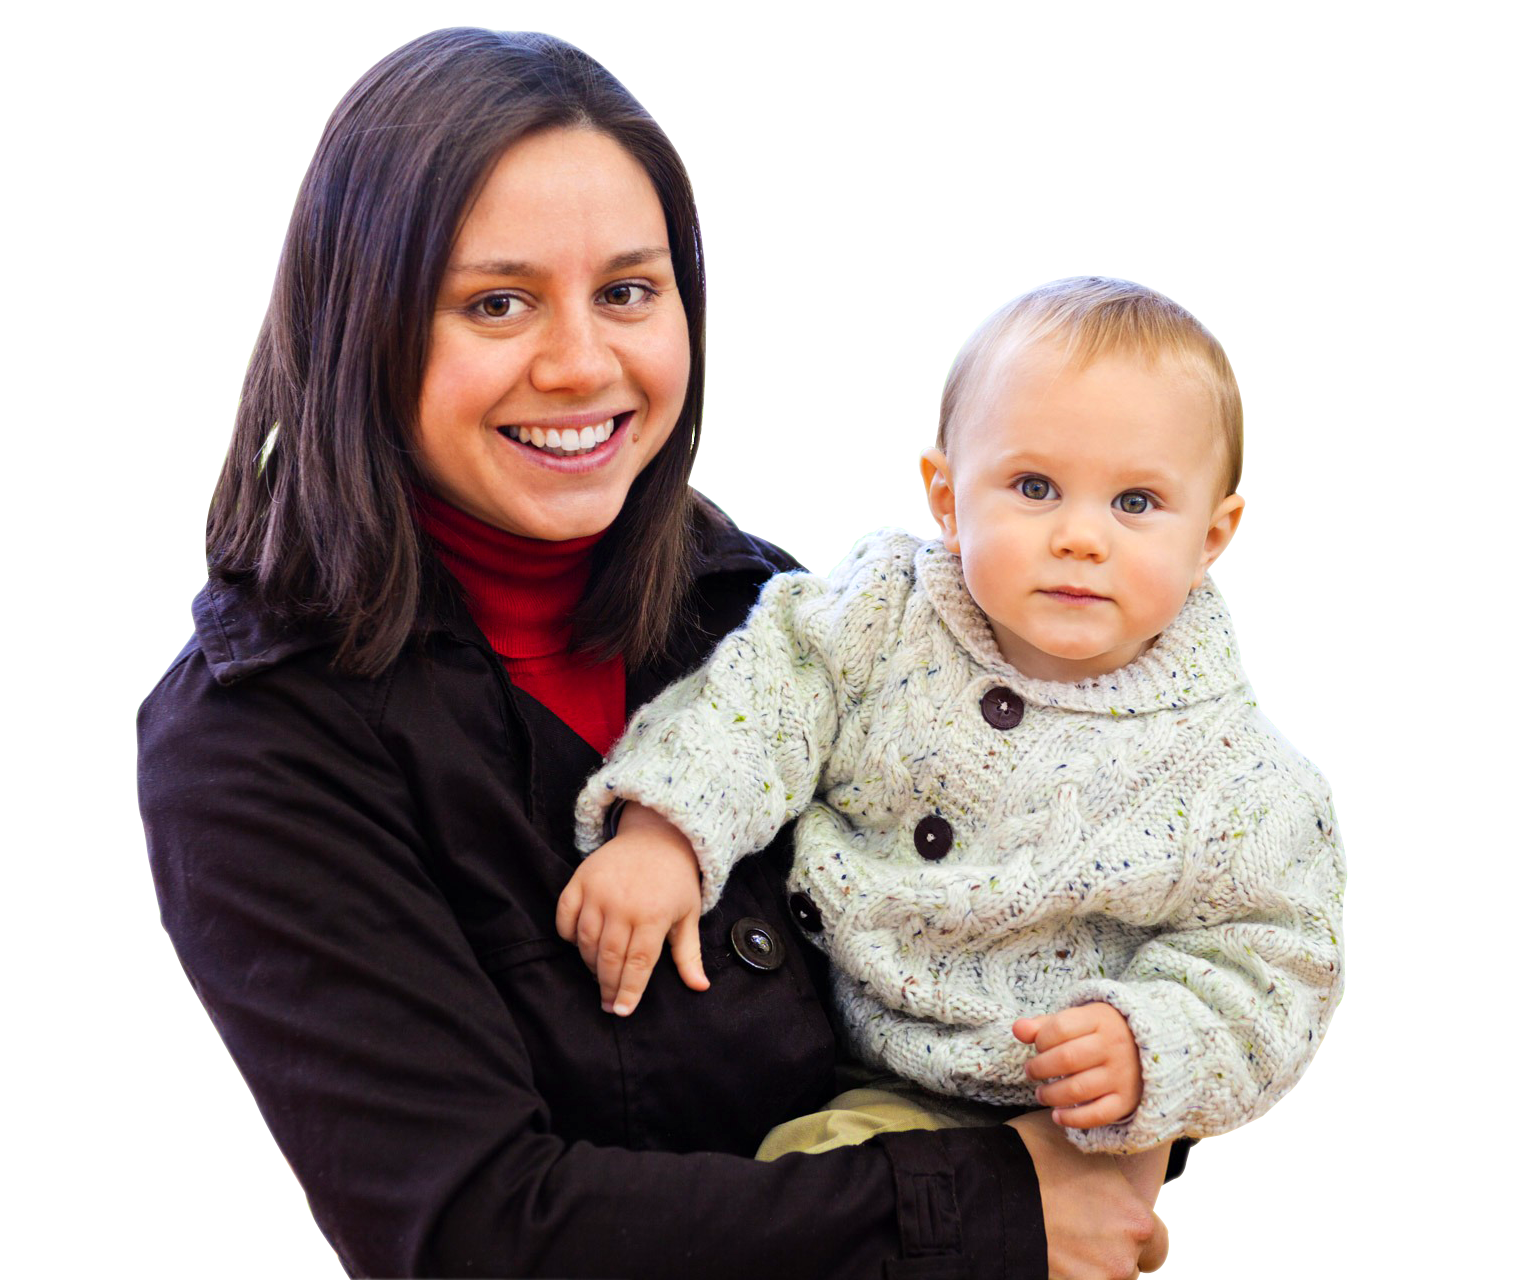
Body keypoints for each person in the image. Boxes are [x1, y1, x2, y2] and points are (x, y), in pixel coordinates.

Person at [136, 29, 1172, 1280]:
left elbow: (1043, 938)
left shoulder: (778, 617)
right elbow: (473, 1231)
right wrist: (997, 1204)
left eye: (628, 290)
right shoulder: (255, 740)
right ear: (362, 324)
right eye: (496, 302)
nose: (582, 363)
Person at [561, 277, 1347, 1186]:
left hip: (1044, 1110)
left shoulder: (1240, 780)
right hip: (819, 1026)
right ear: (944, 494)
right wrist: (668, 829)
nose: (1082, 537)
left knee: (817, 1182)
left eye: (1136, 503)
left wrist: (1151, 1044)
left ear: (1212, 536)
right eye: (1035, 486)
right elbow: (760, 702)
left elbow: (1276, 960)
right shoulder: (881, 618)